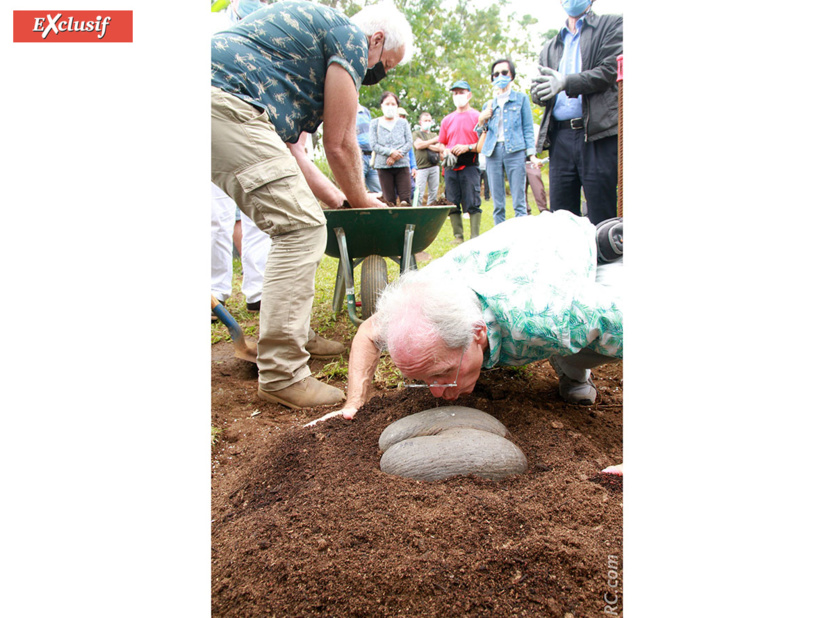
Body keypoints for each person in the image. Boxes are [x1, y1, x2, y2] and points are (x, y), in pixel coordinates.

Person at [211, 0, 413, 408]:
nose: (378, 75)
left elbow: (295, 154)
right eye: (386, 66)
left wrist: (340, 199)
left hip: (218, 99)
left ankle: (296, 333)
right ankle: (283, 372)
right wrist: (363, 203)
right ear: (376, 40)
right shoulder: (350, 39)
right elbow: (340, 144)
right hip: (224, 102)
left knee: (297, 216)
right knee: (301, 227)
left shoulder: (299, 53)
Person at [336, 209, 622, 419]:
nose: (436, 392)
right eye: (425, 380)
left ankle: (572, 367)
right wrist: (354, 405)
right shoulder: (417, 298)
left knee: (595, 334)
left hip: (575, 248)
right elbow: (368, 333)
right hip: (512, 250)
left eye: (442, 374)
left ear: (478, 333)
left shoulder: (550, 316)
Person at [530, 0, 622, 225]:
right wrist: (538, 93)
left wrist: (565, 82)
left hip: (596, 134)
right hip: (561, 138)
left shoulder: (611, 25)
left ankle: (606, 258)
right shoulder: (551, 46)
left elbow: (608, 71)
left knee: (602, 214)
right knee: (561, 217)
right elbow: (540, 88)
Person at [476, 58, 536, 225]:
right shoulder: (489, 104)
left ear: (511, 75)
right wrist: (481, 120)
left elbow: (528, 128)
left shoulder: (521, 99)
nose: (500, 76)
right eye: (496, 74)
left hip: (515, 151)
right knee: (498, 204)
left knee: (519, 202)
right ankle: (500, 242)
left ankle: (521, 240)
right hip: (493, 152)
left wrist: (531, 154)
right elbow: (482, 133)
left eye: (504, 72)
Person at [436, 80, 482, 243]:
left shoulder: (477, 116)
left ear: (469, 95)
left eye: (461, 92)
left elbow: (483, 143)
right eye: (455, 93)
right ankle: (458, 235)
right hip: (451, 166)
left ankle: (475, 235)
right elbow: (441, 142)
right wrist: (445, 150)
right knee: (452, 201)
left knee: (473, 201)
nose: (458, 96)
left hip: (470, 163)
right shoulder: (447, 119)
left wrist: (467, 147)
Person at [370, 92, 413, 206]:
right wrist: (390, 152)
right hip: (384, 166)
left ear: (397, 107)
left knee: (405, 200)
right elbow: (374, 144)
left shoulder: (403, 123)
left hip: (402, 164)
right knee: (389, 201)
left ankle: (406, 223)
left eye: (393, 104)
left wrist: (396, 156)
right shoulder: (375, 123)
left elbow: (409, 142)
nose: (390, 107)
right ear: (382, 106)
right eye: (387, 104)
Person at [412, 112, 442, 206]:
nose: (427, 122)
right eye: (425, 120)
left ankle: (431, 212)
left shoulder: (434, 134)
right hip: (421, 167)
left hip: (434, 166)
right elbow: (418, 145)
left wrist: (425, 144)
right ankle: (417, 213)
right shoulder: (416, 133)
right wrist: (432, 142)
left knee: (433, 192)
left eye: (429, 120)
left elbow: (439, 148)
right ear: (420, 122)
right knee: (419, 193)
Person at [356, 104, 382, 193]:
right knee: (357, 190)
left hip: (371, 156)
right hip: (358, 155)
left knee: (379, 191)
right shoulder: (344, 112)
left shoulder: (365, 111)